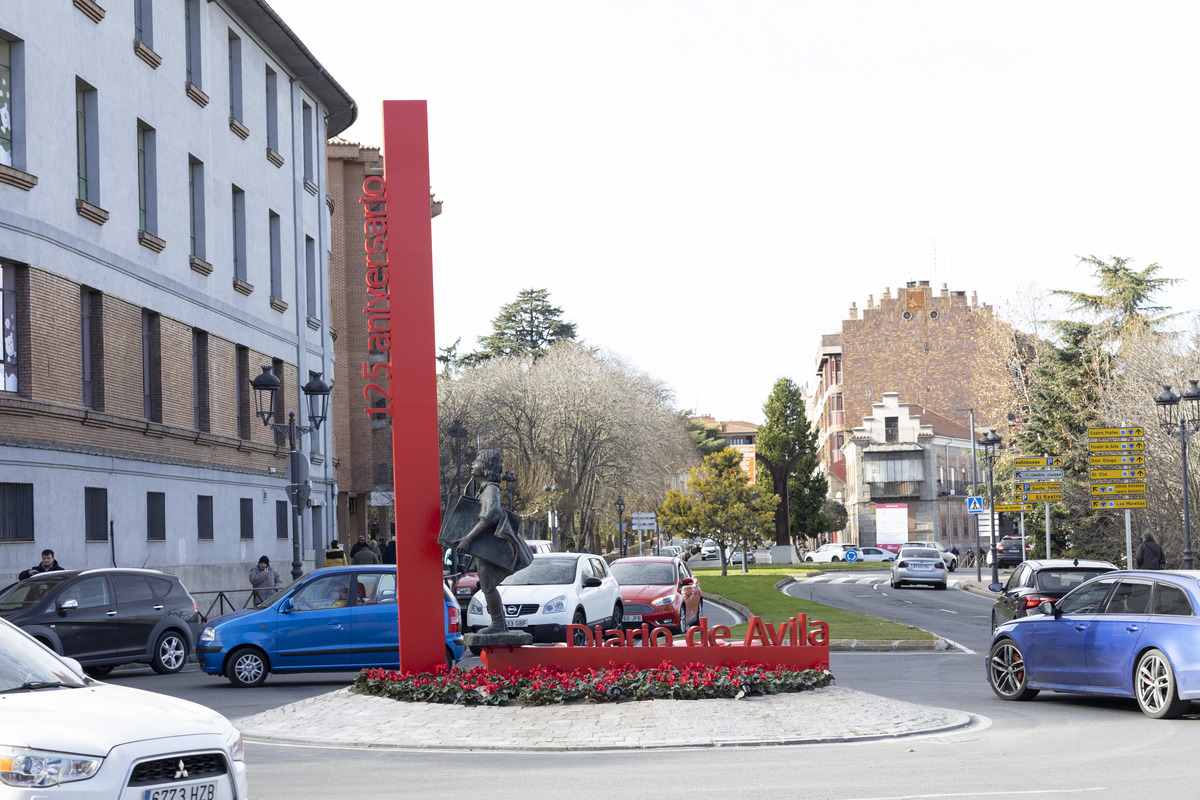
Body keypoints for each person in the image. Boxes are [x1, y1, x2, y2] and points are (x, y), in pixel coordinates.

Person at [447, 449, 534, 635]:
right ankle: (498, 623)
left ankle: (498, 623)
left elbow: (490, 515)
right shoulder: (484, 488)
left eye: (477, 461)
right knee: (487, 585)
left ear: (486, 468)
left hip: (489, 547)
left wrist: (469, 539)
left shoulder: (491, 489)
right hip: (485, 548)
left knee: (488, 585)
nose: (472, 464)